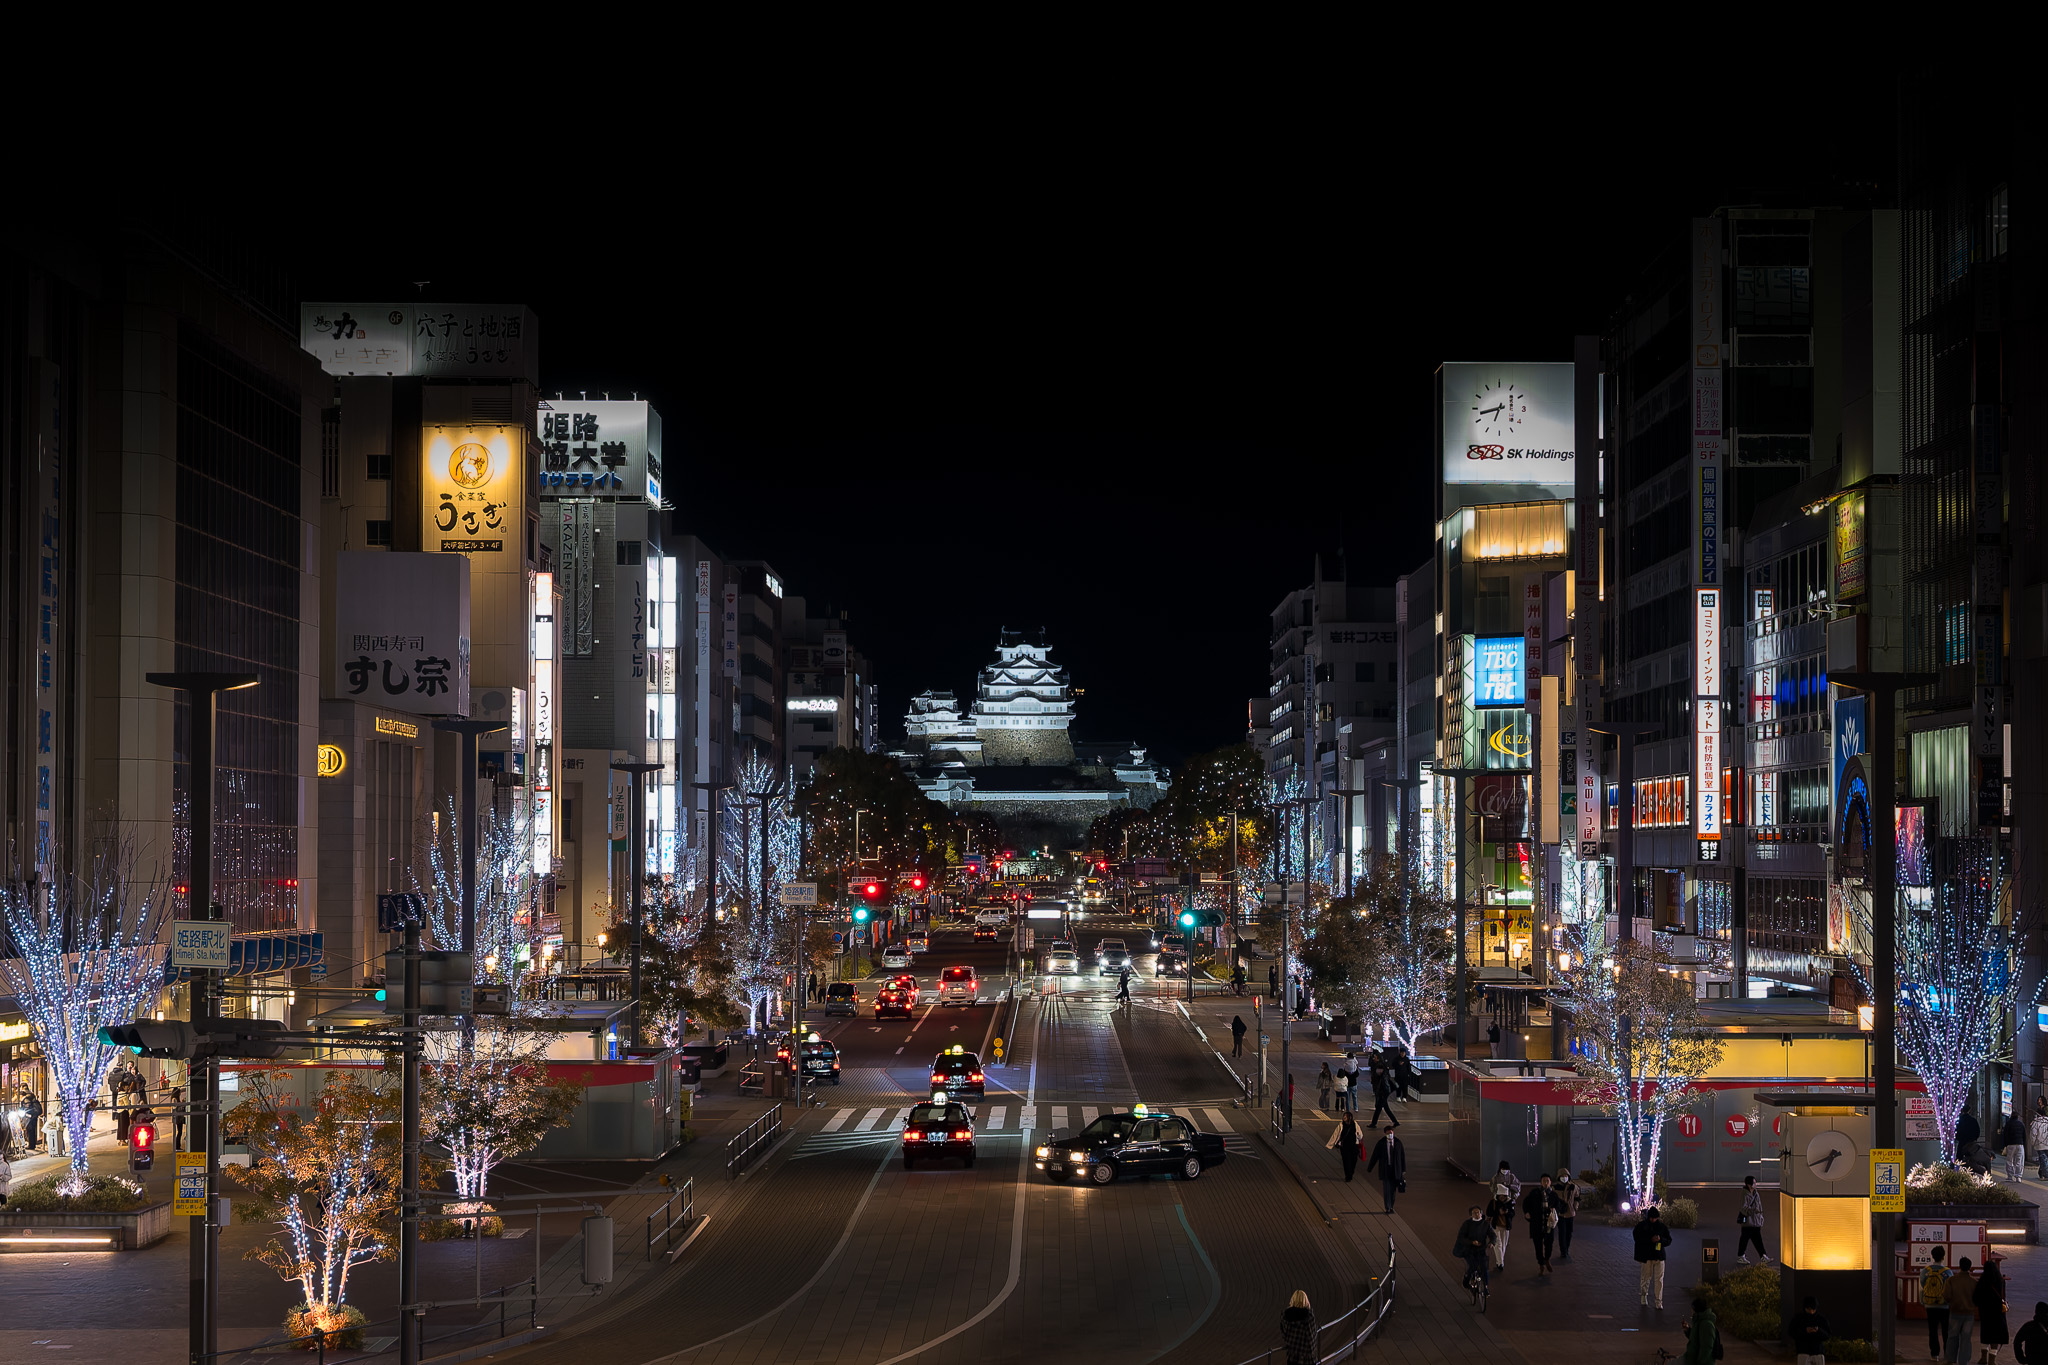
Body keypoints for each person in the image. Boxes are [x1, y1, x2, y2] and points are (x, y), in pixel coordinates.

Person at [1633, 1205, 1672, 1309]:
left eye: (1655, 1218)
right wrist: (1652, 1240)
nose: (1653, 1220)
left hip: (1657, 1257)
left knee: (1656, 1279)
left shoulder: (1660, 1227)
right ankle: (1645, 1297)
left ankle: (1657, 1301)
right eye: (1652, 1218)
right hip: (1650, 1256)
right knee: (1648, 1278)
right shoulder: (1642, 1226)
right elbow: (1637, 1238)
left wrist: (1660, 1240)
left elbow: (1668, 1240)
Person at [1453, 1204, 1491, 1299]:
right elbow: (1461, 1238)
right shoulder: (1467, 1224)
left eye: (1478, 1212)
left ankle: (1485, 1287)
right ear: (1471, 1215)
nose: (1477, 1214)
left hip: (1481, 1250)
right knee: (1472, 1265)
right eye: (1474, 1213)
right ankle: (1466, 1279)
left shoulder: (1485, 1224)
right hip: (1469, 1250)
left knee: (1484, 1268)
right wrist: (1471, 1242)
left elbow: (1492, 1235)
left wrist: (1492, 1242)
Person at [1522, 1173, 1559, 1273]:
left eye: (1547, 1181)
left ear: (1550, 1182)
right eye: (1544, 1181)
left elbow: (1558, 1206)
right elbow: (1526, 1203)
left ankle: (1547, 1259)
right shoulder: (1535, 1193)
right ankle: (1541, 1264)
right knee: (1538, 1246)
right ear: (1541, 1182)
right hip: (1537, 1224)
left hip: (1548, 1225)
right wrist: (1527, 1212)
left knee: (1549, 1244)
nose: (1546, 1183)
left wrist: (1555, 1210)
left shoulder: (1553, 1195)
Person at [1365, 1126, 1406, 1214]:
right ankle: (1388, 1207)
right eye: (1388, 1133)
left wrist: (1403, 1169)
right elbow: (1375, 1156)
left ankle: (1391, 1206)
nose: (1390, 1135)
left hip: (1395, 1170)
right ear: (1385, 1134)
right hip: (1385, 1170)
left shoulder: (1398, 1143)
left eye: (1391, 1133)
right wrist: (1370, 1168)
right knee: (1387, 1189)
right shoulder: (1381, 1143)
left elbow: (1402, 1156)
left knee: (1393, 1191)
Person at [1947, 1256, 1980, 1365]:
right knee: (1966, 1339)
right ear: (1970, 1267)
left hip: (1955, 1312)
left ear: (1959, 1266)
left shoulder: (1951, 1280)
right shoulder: (1974, 1282)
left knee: (1952, 1336)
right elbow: (1977, 1299)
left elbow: (1946, 1295)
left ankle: (1951, 1359)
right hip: (1969, 1314)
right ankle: (1963, 1361)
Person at [1924, 1247, 1954, 1361]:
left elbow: (1923, 1287)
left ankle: (1934, 1354)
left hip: (1930, 1304)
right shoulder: (1947, 1272)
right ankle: (1947, 1354)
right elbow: (1951, 1288)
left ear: (1932, 1256)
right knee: (1946, 1331)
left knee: (1932, 1330)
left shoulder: (1926, 1271)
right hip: (1944, 1305)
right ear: (1943, 1257)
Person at [1980, 1258, 2011, 1363]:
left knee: (1986, 1334)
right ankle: (1992, 1360)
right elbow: (2003, 1296)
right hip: (1998, 1312)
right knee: (1996, 1337)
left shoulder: (1982, 1281)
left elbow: (1977, 1297)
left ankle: (1983, 1358)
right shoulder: (2000, 1280)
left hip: (1985, 1312)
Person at [1788, 1295, 1831, 1365]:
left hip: (1818, 1352)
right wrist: (1805, 1331)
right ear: (1804, 1308)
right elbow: (1791, 1332)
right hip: (1803, 1352)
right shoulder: (1798, 1318)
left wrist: (1818, 1331)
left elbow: (1828, 1335)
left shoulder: (1822, 1319)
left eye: (1813, 1310)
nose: (1811, 1312)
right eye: (1808, 1309)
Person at [1736, 1174, 1769, 1262]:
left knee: (1754, 1239)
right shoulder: (1745, 1194)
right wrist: (1753, 1210)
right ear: (1749, 1185)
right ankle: (1761, 1256)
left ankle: (1762, 1256)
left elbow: (1759, 1206)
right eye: (1754, 1183)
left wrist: (1760, 1217)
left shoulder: (1755, 1193)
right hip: (1748, 1221)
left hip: (1756, 1221)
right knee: (1747, 1239)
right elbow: (1743, 1208)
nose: (1756, 1184)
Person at [1281, 1289, 1317, 1365]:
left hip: (1293, 1357)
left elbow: (1284, 1335)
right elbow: (1312, 1338)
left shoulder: (1285, 1317)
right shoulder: (1309, 1317)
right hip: (1308, 1359)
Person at [1682, 1297, 1720, 1365]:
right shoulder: (1699, 1321)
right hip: (1692, 1359)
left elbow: (1707, 1348)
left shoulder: (1706, 1325)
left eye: (1692, 1309)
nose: (1691, 1311)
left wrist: (1699, 1362)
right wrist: (1688, 1330)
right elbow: (1696, 1339)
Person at [1554, 1166, 1581, 1261]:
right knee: (1562, 1232)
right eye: (1562, 1176)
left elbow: (1577, 1197)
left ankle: (1567, 1249)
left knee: (1569, 1232)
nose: (1564, 1177)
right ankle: (1563, 1251)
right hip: (1560, 1214)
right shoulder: (1555, 1188)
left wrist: (1575, 1206)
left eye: (1565, 1176)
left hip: (1570, 1213)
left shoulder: (1573, 1187)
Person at [1326, 1112, 1362, 1180]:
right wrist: (1331, 1144)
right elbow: (1335, 1134)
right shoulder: (1341, 1125)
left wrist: (1359, 1138)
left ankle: (1351, 1172)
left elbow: (1360, 1134)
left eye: (1345, 1117)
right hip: (1344, 1147)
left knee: (1353, 1160)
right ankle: (1348, 1175)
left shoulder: (1355, 1124)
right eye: (1343, 1117)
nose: (1344, 1118)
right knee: (1346, 1161)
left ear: (1349, 1117)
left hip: (1354, 1146)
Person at [1487, 1183, 1515, 1270]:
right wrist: (1498, 1212)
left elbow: (1513, 1214)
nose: (1502, 1198)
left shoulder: (1510, 1202)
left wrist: (1507, 1213)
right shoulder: (1493, 1202)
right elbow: (1488, 1212)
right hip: (1496, 1225)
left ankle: (1500, 1261)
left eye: (1504, 1196)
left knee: (1504, 1244)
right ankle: (1500, 1263)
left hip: (1506, 1226)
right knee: (1497, 1244)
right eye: (1501, 1196)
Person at [1367, 1059, 1396, 1129]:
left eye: (1379, 1069)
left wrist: (1383, 1095)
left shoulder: (1383, 1078)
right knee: (1386, 1109)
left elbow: (1385, 1088)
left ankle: (1374, 1123)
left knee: (1378, 1110)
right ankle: (1395, 1121)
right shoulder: (1382, 1076)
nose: (1377, 1071)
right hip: (1382, 1095)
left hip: (1382, 1095)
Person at [2004, 1111, 2029, 1183]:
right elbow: (2024, 1135)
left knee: (2009, 1160)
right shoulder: (2021, 1124)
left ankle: (2010, 1176)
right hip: (2020, 1144)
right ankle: (2018, 1177)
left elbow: (2005, 1135)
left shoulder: (2008, 1124)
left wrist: (2005, 1145)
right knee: (2019, 1161)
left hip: (2010, 1144)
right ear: (2018, 1117)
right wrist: (2023, 1144)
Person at [2030, 1101, 2048, 1181]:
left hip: (2039, 1144)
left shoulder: (2036, 1123)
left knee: (2042, 1159)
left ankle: (2045, 1174)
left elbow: (2033, 1134)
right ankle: (2042, 1173)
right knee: (2044, 1159)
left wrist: (2033, 1143)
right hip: (2047, 1143)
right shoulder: (2047, 1121)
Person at [169, 1086, 186, 1151]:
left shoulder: (175, 1099)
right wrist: (182, 1105)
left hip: (179, 1117)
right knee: (179, 1132)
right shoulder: (174, 1099)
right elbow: (176, 1109)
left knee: (180, 1132)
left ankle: (178, 1146)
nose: (180, 1094)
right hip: (178, 1118)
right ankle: (177, 1147)